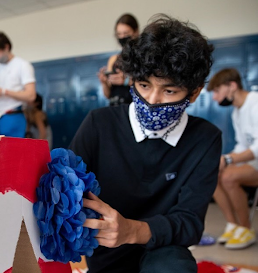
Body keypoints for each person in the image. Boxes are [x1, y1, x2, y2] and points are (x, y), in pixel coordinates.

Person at [69, 14, 220, 273]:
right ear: (132, 81)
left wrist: (131, 230)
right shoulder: (98, 124)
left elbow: (190, 222)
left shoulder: (205, 137)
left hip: (164, 249)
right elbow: (66, 189)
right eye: (143, 85)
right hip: (105, 250)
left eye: (169, 91)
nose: (152, 100)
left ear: (194, 93)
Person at [207, 68, 258, 249]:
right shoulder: (237, 111)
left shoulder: (255, 103)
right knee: (214, 174)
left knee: (229, 176)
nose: (215, 97)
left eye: (217, 91)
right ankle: (233, 225)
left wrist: (229, 161)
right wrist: (225, 160)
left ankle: (246, 229)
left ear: (232, 86)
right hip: (253, 162)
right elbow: (242, 145)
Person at [0, 31, 36, 138]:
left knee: (14, 152)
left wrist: (3, 92)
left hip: (14, 116)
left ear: (6, 47)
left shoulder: (23, 65)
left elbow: (31, 95)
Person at [98, 14, 139, 106]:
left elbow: (151, 85)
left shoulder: (142, 56)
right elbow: (108, 95)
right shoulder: (113, 59)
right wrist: (104, 82)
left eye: (126, 34)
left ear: (136, 32)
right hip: (115, 107)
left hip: (133, 106)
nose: (122, 37)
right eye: (119, 34)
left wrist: (126, 81)